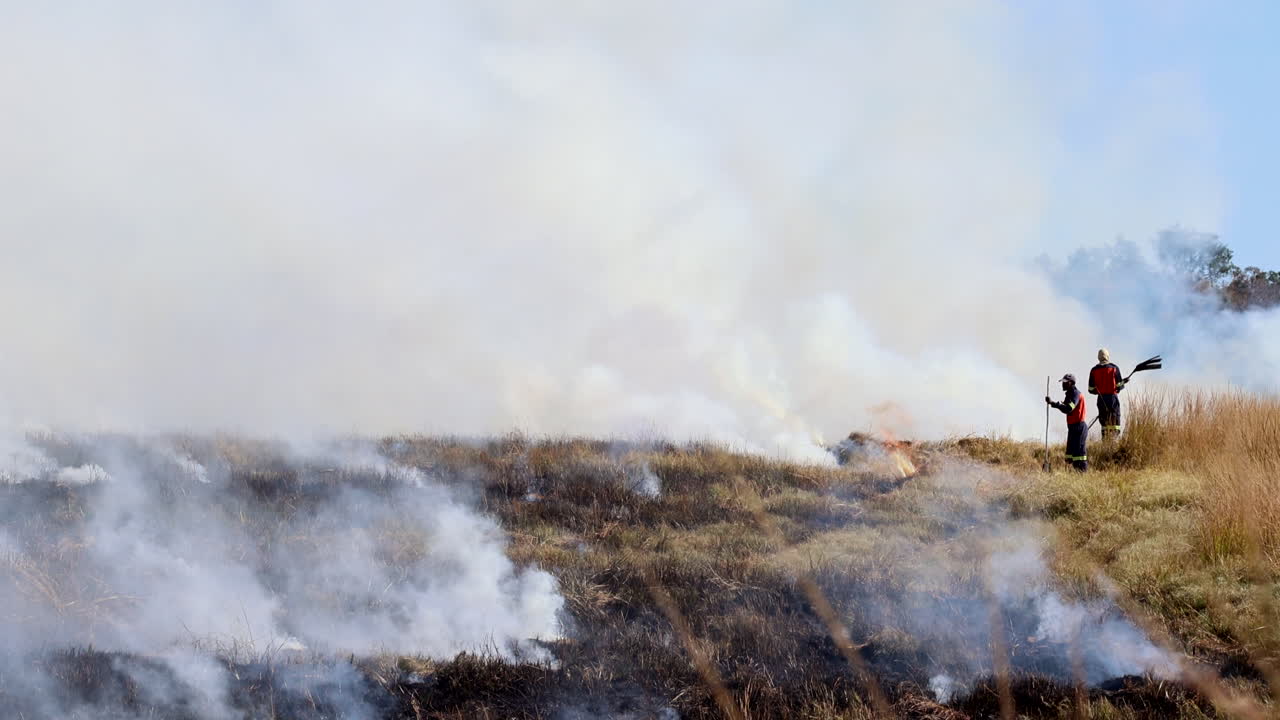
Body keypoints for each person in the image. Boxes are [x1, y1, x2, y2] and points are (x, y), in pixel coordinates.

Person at [1045, 373, 1088, 471]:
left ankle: (1082, 474)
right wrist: (1053, 403)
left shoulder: (1075, 394)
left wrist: (1054, 403)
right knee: (1070, 455)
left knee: (1079, 455)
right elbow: (1065, 408)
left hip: (1079, 427)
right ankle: (1071, 474)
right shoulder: (1069, 394)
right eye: (1062, 382)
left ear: (1071, 383)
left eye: (1065, 382)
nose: (1063, 384)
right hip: (1072, 427)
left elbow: (1069, 409)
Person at [1088, 348, 1125, 440]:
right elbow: (1119, 386)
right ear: (1108, 356)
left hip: (1101, 400)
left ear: (1098, 357)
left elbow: (1091, 389)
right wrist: (1123, 382)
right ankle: (1114, 441)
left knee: (1104, 423)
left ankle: (1105, 442)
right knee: (1115, 421)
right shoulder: (1114, 368)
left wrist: (1099, 390)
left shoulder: (1093, 370)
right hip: (1112, 399)